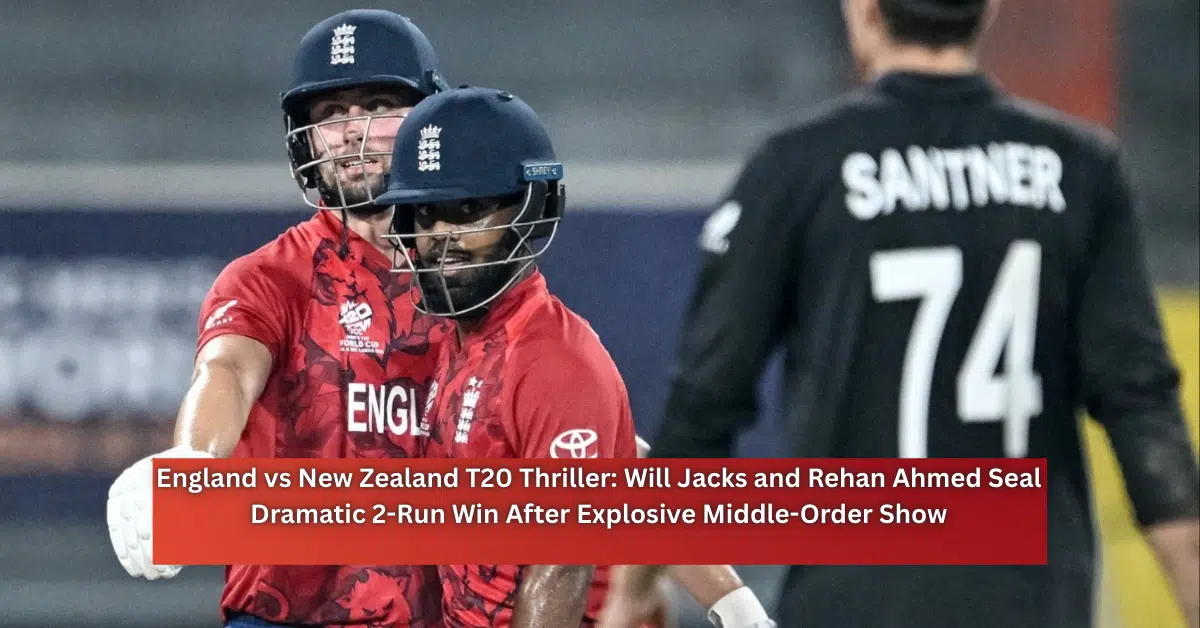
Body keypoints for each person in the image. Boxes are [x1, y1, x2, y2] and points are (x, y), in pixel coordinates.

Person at [602, 1, 1200, 627]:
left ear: (864, 9)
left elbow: (705, 405)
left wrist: (636, 586)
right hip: (1032, 600)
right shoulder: (1080, 169)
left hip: (857, 599)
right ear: (988, 8)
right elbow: (1143, 408)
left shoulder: (800, 166)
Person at [376, 86, 778, 628]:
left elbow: (560, 565)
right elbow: (620, 463)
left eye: (467, 210)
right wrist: (734, 603)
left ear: (530, 210)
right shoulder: (457, 342)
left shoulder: (552, 361)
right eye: (425, 213)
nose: (441, 235)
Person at [105, 9, 454, 627]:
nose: (353, 131)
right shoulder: (269, 278)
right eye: (330, 116)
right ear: (307, 139)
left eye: (377, 104)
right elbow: (229, 370)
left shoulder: (473, 277)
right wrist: (192, 459)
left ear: (429, 118)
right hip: (287, 616)